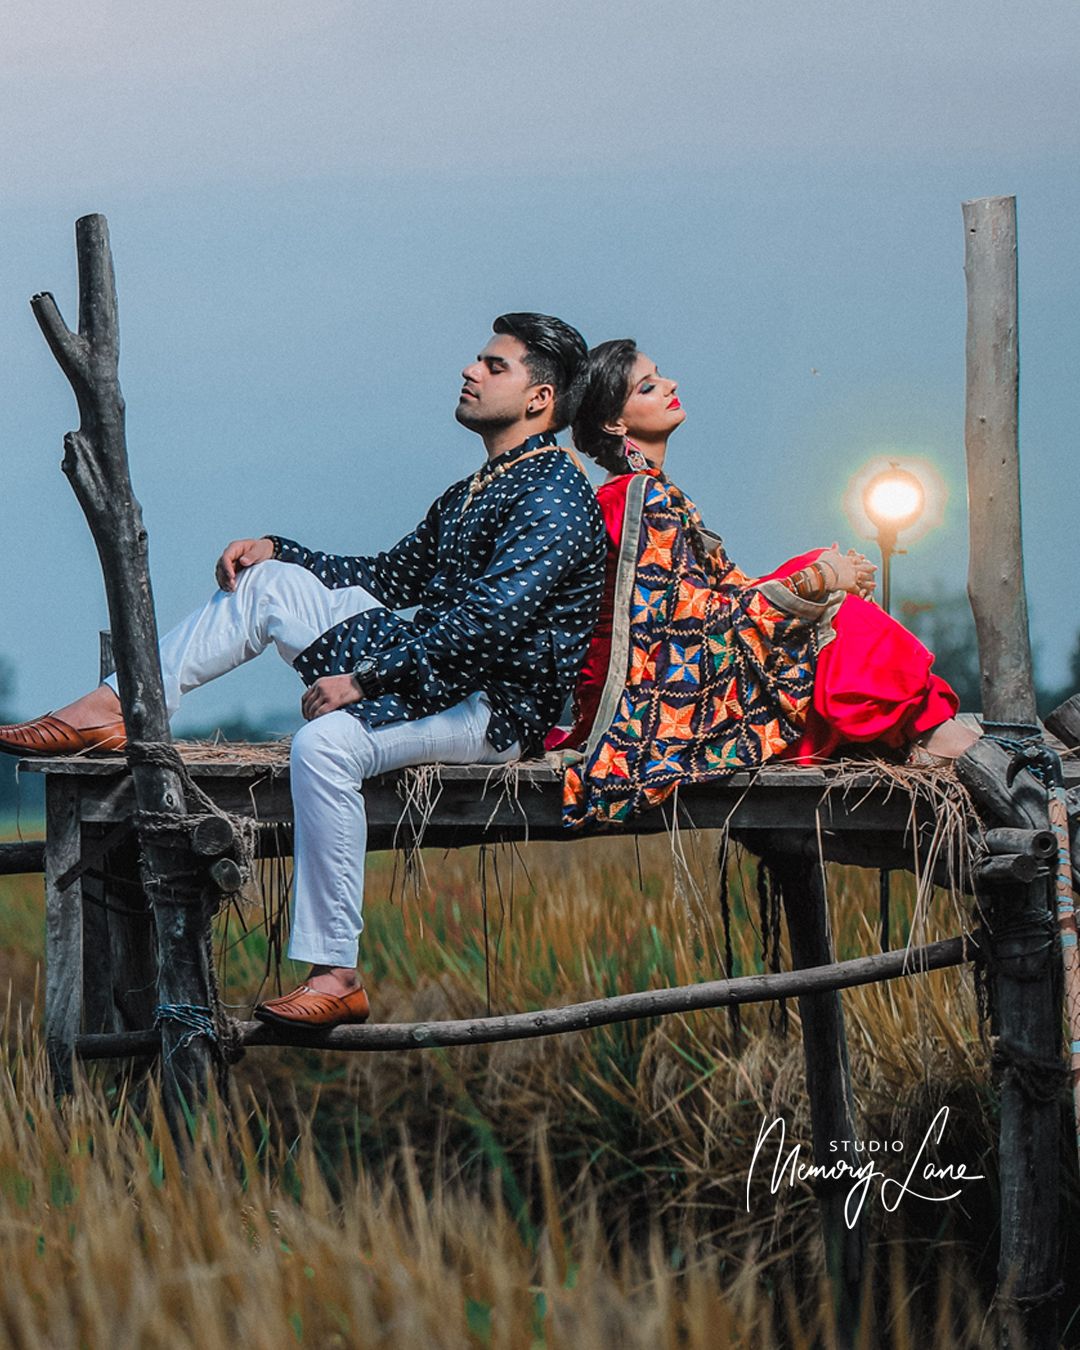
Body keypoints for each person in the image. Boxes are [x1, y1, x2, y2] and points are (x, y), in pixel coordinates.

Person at [0, 313, 607, 1026]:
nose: (470, 371)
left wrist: (367, 680)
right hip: (434, 678)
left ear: (540, 398)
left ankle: (336, 975)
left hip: (492, 708)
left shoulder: (552, 494)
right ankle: (117, 708)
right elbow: (390, 576)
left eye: (493, 366)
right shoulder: (476, 489)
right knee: (266, 583)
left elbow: (489, 624)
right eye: (478, 360)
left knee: (324, 745)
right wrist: (280, 549)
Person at [549, 338, 976, 828]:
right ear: (615, 424)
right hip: (650, 696)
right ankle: (934, 736)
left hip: (673, 670)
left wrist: (819, 576)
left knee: (822, 584)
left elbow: (724, 591)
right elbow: (681, 626)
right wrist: (816, 581)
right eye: (648, 387)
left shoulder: (649, 490)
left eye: (660, 375)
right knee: (841, 612)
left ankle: (924, 732)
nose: (670, 385)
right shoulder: (638, 496)